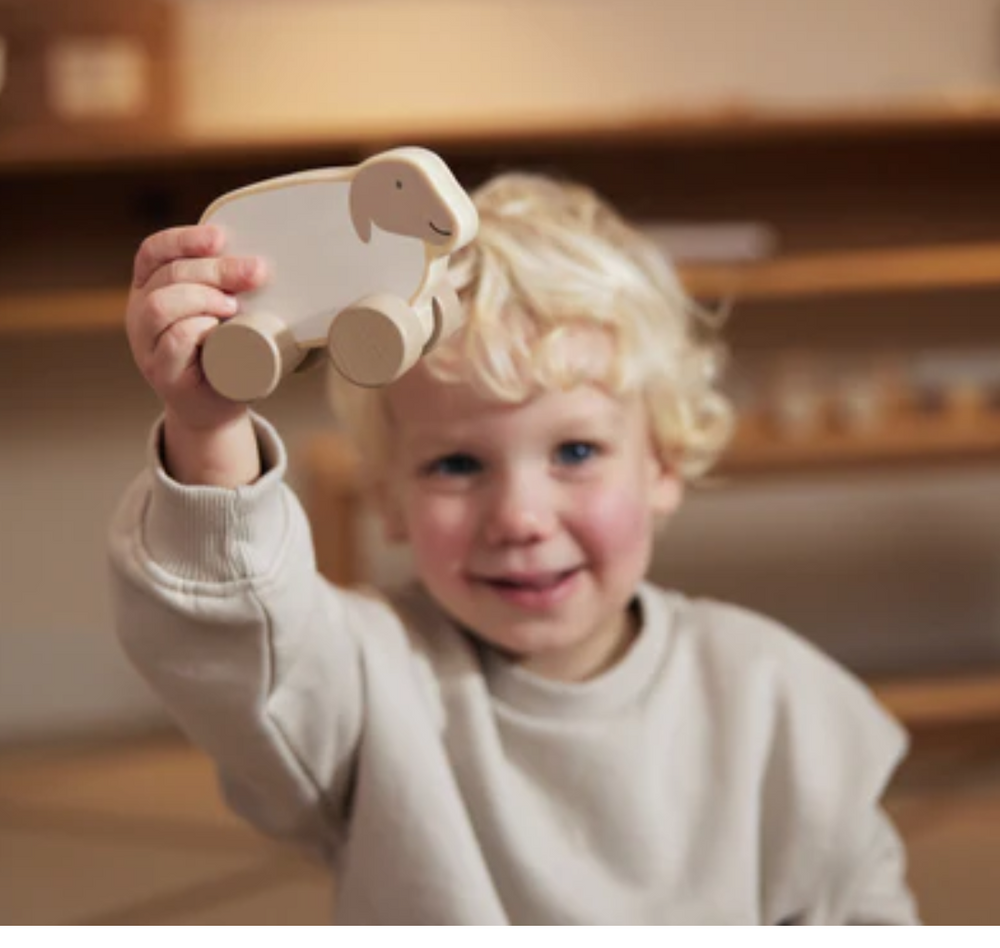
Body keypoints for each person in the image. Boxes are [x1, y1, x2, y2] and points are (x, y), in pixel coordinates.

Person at [109, 171, 919, 924]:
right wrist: (207, 428)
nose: (520, 518)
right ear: (388, 495)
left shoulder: (774, 700)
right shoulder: (367, 680)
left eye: (574, 454)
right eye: (457, 464)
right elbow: (239, 647)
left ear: (664, 461)